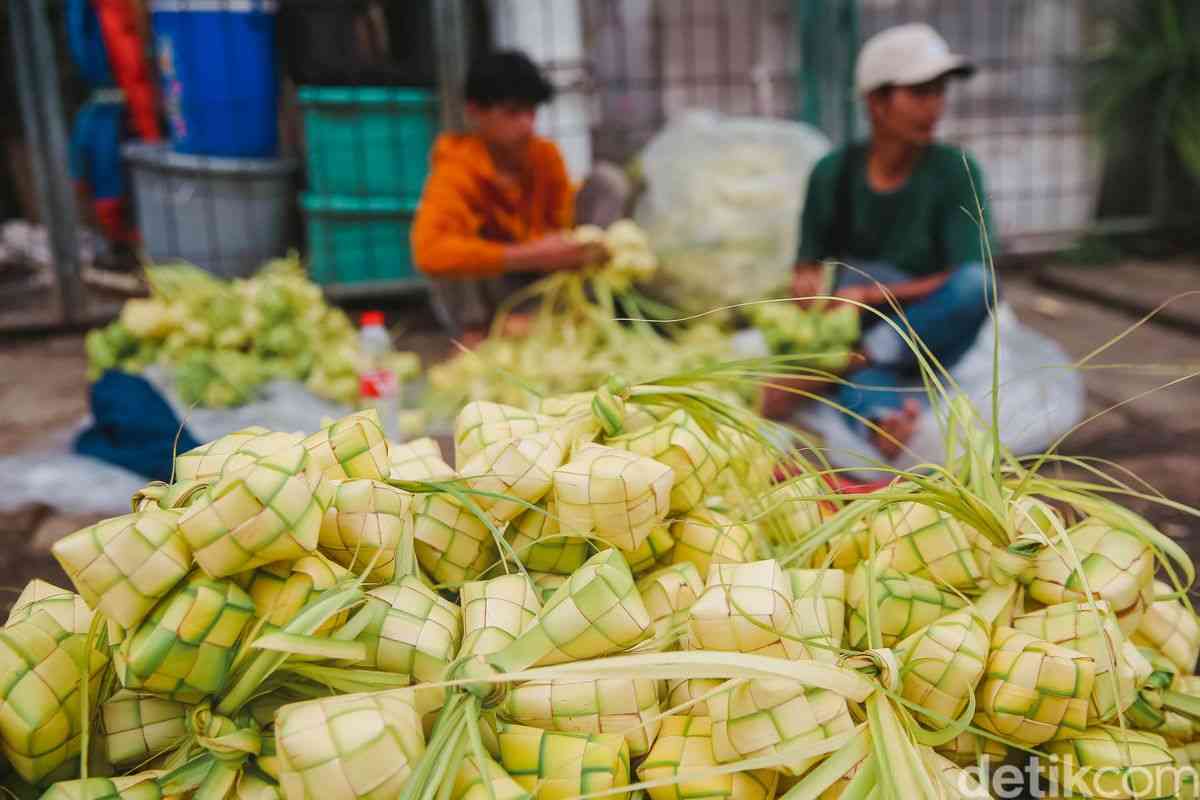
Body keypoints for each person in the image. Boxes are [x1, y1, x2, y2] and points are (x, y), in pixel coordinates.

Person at [792, 23, 995, 458]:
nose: (935, 106)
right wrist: (807, 289)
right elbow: (806, 266)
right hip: (859, 324)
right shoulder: (832, 173)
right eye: (919, 92)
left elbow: (965, 274)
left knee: (977, 285)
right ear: (876, 102)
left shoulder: (955, 170)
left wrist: (868, 292)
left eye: (939, 91)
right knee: (869, 384)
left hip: (929, 326)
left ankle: (855, 359)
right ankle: (883, 422)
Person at [411, 50, 613, 344]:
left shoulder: (545, 157)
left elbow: (560, 223)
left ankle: (562, 313)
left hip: (540, 285)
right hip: (492, 291)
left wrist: (563, 249)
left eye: (531, 112)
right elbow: (428, 252)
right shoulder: (457, 168)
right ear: (475, 112)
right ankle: (476, 332)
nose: (527, 124)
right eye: (512, 113)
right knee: (451, 247)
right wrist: (528, 255)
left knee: (607, 182)